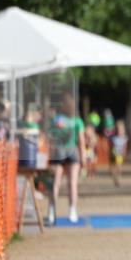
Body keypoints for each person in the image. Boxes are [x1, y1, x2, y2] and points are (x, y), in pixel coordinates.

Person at [47, 93, 85, 225]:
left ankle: (51, 211)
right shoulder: (77, 121)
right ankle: (72, 210)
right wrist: (83, 158)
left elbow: (51, 139)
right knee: (72, 183)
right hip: (72, 152)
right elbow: (81, 141)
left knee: (55, 183)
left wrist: (50, 156)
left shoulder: (57, 120)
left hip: (58, 152)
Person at [110, 119, 129, 187]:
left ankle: (118, 178)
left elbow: (125, 146)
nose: (119, 131)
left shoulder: (124, 138)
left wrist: (124, 153)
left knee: (119, 167)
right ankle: (114, 177)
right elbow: (111, 145)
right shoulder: (113, 138)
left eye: (121, 129)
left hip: (120, 154)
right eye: (118, 129)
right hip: (113, 154)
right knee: (113, 167)